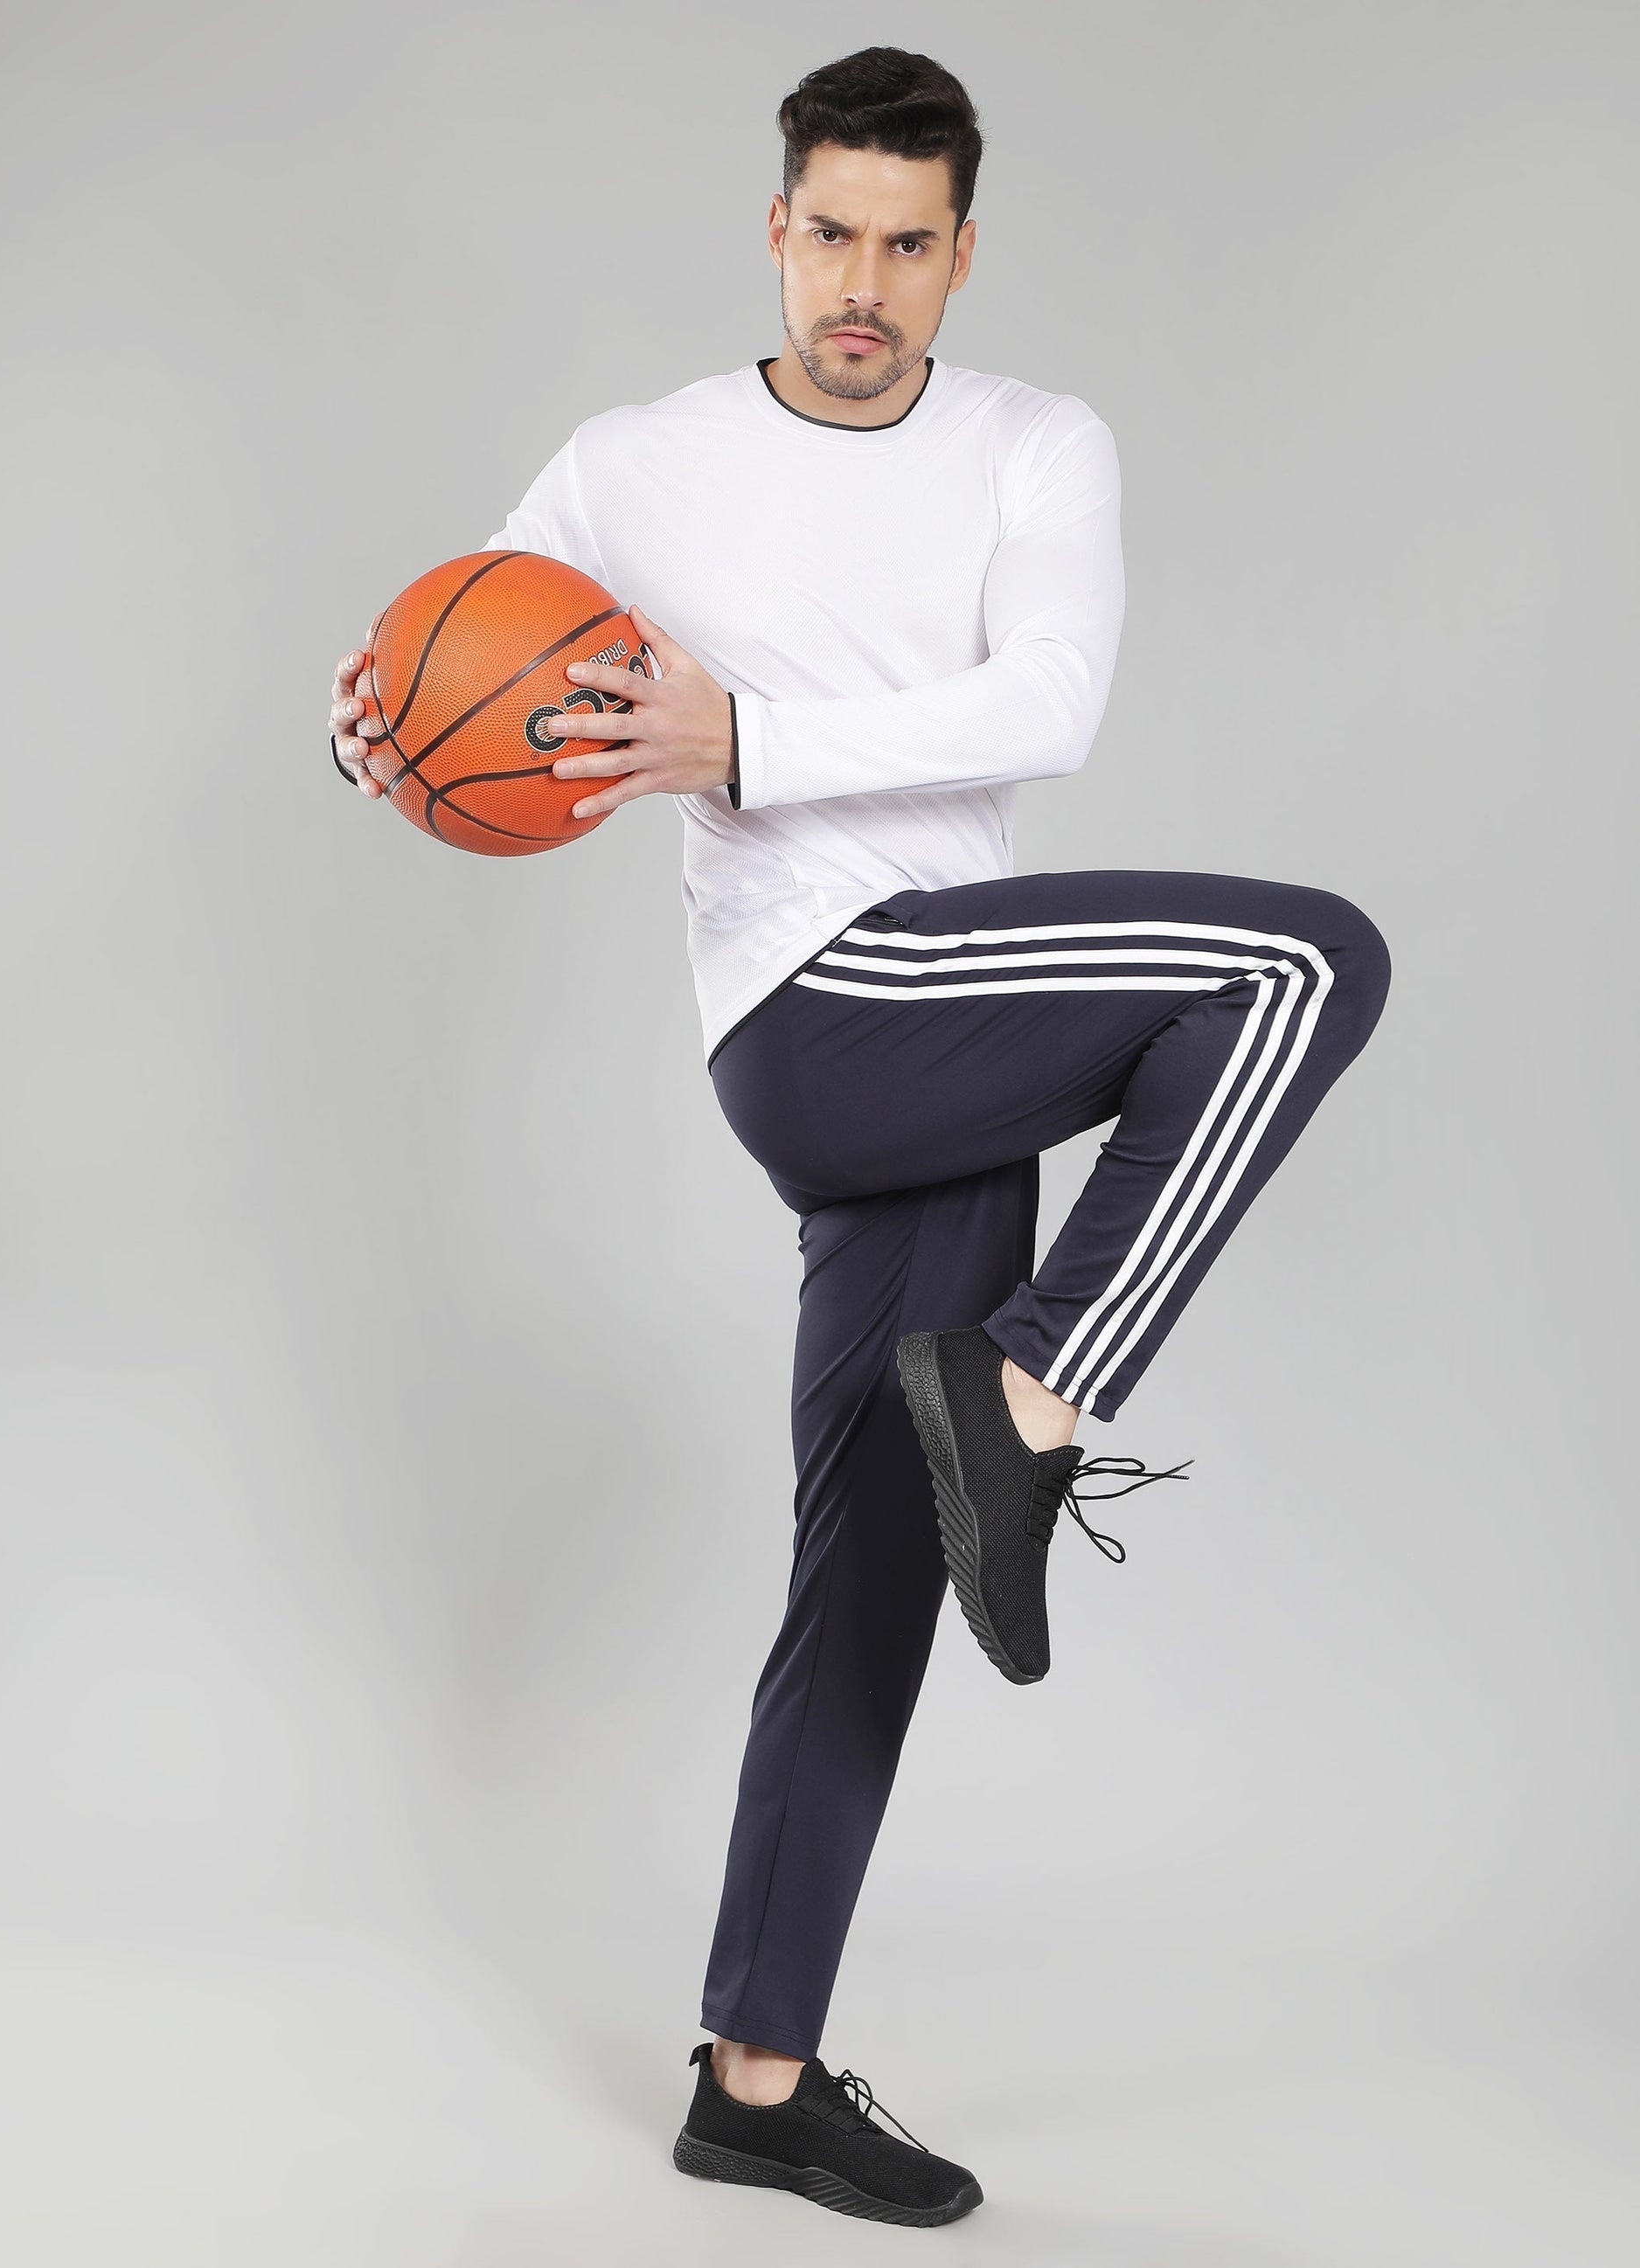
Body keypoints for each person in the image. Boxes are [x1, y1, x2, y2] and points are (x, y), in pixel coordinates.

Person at [328, 46, 1391, 2230]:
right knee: (1301, 960)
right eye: (830, 233)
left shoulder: (1034, 443)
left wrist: (743, 729)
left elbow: (1050, 700)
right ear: (775, 225)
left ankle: (756, 2073)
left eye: (908, 244)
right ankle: (1038, 1388)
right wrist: (361, 733)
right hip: (819, 1000)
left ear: (960, 251)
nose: (862, 284)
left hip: (947, 1025)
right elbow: (448, 657)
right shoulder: (639, 463)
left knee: (878, 1562)